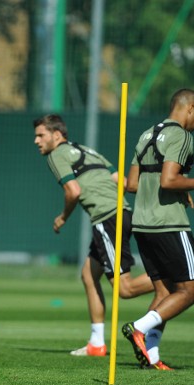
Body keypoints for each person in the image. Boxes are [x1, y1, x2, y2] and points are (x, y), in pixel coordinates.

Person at [33, 114, 155, 357]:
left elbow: (73, 191)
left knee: (124, 289)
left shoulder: (56, 155)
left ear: (57, 135)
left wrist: (63, 217)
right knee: (89, 275)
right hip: (120, 213)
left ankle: (180, 276)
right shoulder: (86, 151)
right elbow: (120, 180)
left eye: (41, 135)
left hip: (107, 217)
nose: (36, 141)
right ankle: (97, 344)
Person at [122, 88, 194, 370]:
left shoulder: (146, 134)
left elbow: (132, 185)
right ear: (189, 109)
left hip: (142, 224)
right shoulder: (182, 136)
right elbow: (168, 180)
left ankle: (151, 357)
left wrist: (179, 190)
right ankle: (139, 328)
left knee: (163, 294)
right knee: (188, 291)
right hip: (169, 224)